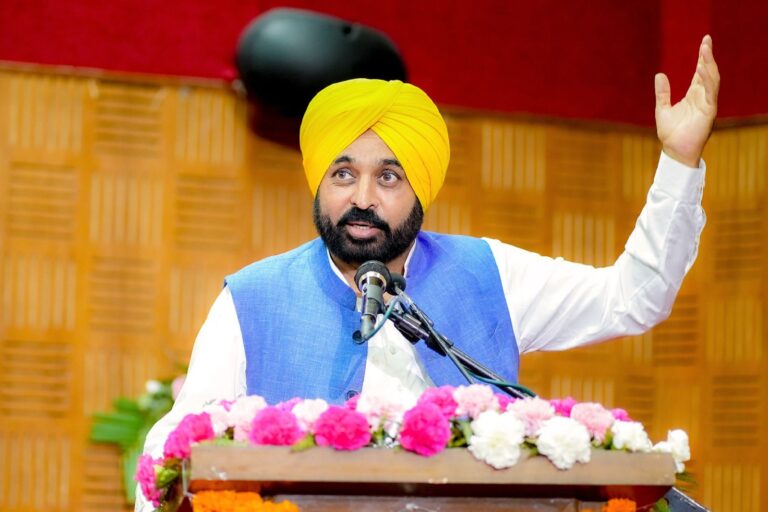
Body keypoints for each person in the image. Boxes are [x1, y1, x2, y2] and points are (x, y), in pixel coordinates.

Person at [135, 35, 719, 510]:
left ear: (421, 191)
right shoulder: (253, 299)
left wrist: (679, 161)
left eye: (389, 177)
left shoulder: (488, 273)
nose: (363, 197)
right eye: (343, 174)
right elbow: (176, 445)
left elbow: (631, 298)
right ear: (319, 183)